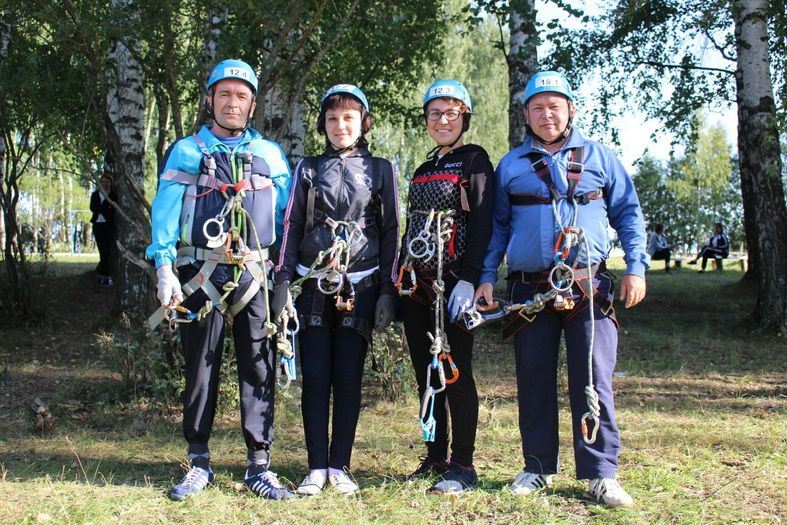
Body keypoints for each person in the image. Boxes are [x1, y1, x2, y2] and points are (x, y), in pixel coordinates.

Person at [474, 71, 648, 507]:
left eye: (554, 106)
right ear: (526, 115)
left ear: (570, 109)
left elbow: (629, 213)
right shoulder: (510, 165)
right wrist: (486, 277)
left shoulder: (600, 157)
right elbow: (497, 227)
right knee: (532, 379)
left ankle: (601, 473)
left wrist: (636, 268)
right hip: (529, 289)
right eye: (537, 107)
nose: (546, 114)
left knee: (592, 380)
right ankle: (537, 467)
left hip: (588, 283)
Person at [146, 59, 294, 501]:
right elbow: (166, 213)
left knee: (258, 365)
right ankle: (198, 461)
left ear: (252, 105)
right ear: (210, 99)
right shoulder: (187, 151)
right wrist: (164, 269)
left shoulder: (269, 154)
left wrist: (284, 275)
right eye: (225, 94)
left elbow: (287, 218)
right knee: (200, 369)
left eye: (242, 96)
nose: (233, 103)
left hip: (254, 273)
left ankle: (258, 465)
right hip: (199, 274)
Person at [271, 84, 399, 496]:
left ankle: (340, 464)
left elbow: (393, 230)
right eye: (331, 118)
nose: (339, 126)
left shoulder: (382, 170)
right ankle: (315, 466)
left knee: (348, 377)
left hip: (360, 284)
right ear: (323, 124)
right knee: (317, 377)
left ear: (363, 121)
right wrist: (282, 280)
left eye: (348, 118)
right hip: (313, 284)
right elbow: (291, 227)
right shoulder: (307, 168)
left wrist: (387, 291)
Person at [397, 80, 495, 494]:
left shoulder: (475, 161)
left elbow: (484, 222)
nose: (442, 120)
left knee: (456, 374)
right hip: (416, 284)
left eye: (451, 112)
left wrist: (471, 278)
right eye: (434, 113)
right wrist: (399, 273)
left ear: (464, 117)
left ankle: (464, 465)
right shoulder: (423, 168)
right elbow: (411, 226)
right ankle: (435, 456)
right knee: (426, 375)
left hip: (454, 282)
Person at [90, 175, 117, 286]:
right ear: (100, 183)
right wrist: (105, 208)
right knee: (102, 252)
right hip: (97, 225)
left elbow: (113, 209)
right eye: (103, 182)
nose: (105, 184)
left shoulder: (113, 195)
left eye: (107, 182)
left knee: (107, 252)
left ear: (110, 183)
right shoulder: (95, 195)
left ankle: (105, 276)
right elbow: (93, 208)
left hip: (108, 226)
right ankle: (105, 276)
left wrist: (102, 209)